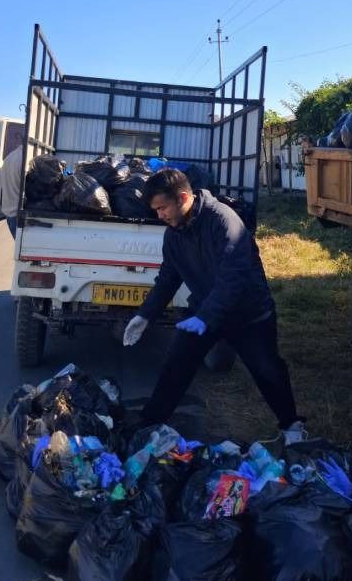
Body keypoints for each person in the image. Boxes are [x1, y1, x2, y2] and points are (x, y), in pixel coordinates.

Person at [122, 169, 306, 444]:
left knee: (267, 370)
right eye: (155, 210)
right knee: (176, 364)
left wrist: (207, 316)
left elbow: (234, 276)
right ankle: (150, 423)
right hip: (205, 311)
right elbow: (168, 278)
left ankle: (292, 428)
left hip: (249, 313)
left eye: (162, 208)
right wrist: (145, 315)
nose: (159, 215)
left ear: (183, 197)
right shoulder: (173, 233)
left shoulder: (223, 221)